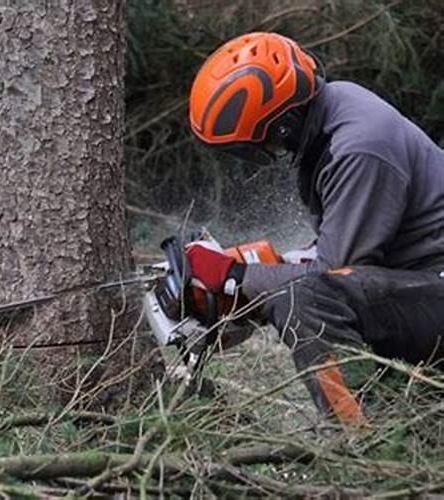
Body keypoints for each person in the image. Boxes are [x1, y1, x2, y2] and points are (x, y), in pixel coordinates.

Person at [185, 32, 444, 424]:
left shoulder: (357, 148)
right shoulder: (334, 112)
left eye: (253, 146)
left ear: (282, 126)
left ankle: (360, 446)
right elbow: (338, 253)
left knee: (306, 303)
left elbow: (331, 280)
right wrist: (256, 267)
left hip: (433, 287)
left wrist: (237, 277)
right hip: (423, 283)